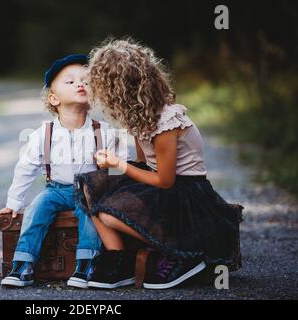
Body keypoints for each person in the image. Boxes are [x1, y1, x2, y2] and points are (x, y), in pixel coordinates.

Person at [74, 39, 243, 290]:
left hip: (186, 193)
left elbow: (165, 180)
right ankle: (119, 260)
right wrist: (110, 165)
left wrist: (119, 164)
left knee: (109, 214)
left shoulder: (166, 121)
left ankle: (185, 251)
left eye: (105, 88)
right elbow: (144, 163)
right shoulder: (138, 116)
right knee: (92, 188)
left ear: (120, 89)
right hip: (163, 184)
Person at [0, 54, 128, 288]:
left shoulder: (106, 132)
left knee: (91, 214)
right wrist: (14, 202)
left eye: (86, 81)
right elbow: (25, 168)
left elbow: (123, 168)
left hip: (91, 192)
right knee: (37, 207)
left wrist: (112, 169)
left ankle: (86, 264)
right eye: (70, 82)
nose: (80, 84)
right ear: (54, 98)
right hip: (55, 190)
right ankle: (23, 263)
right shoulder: (42, 134)